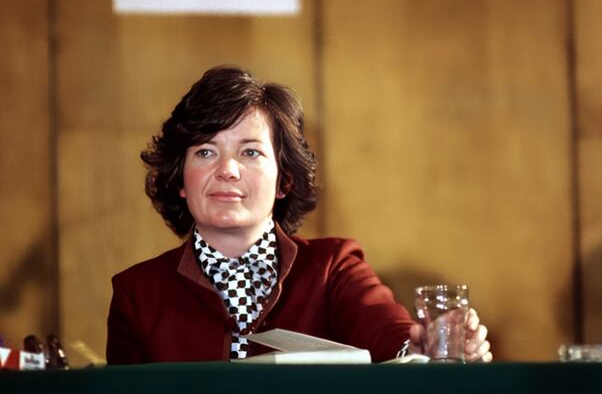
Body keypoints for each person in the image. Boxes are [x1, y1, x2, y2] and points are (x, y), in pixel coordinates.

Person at [106, 66, 492, 364]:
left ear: (283, 182)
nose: (227, 169)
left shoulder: (334, 267)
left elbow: (388, 334)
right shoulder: (136, 293)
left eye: (250, 152)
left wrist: (423, 345)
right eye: (205, 152)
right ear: (180, 181)